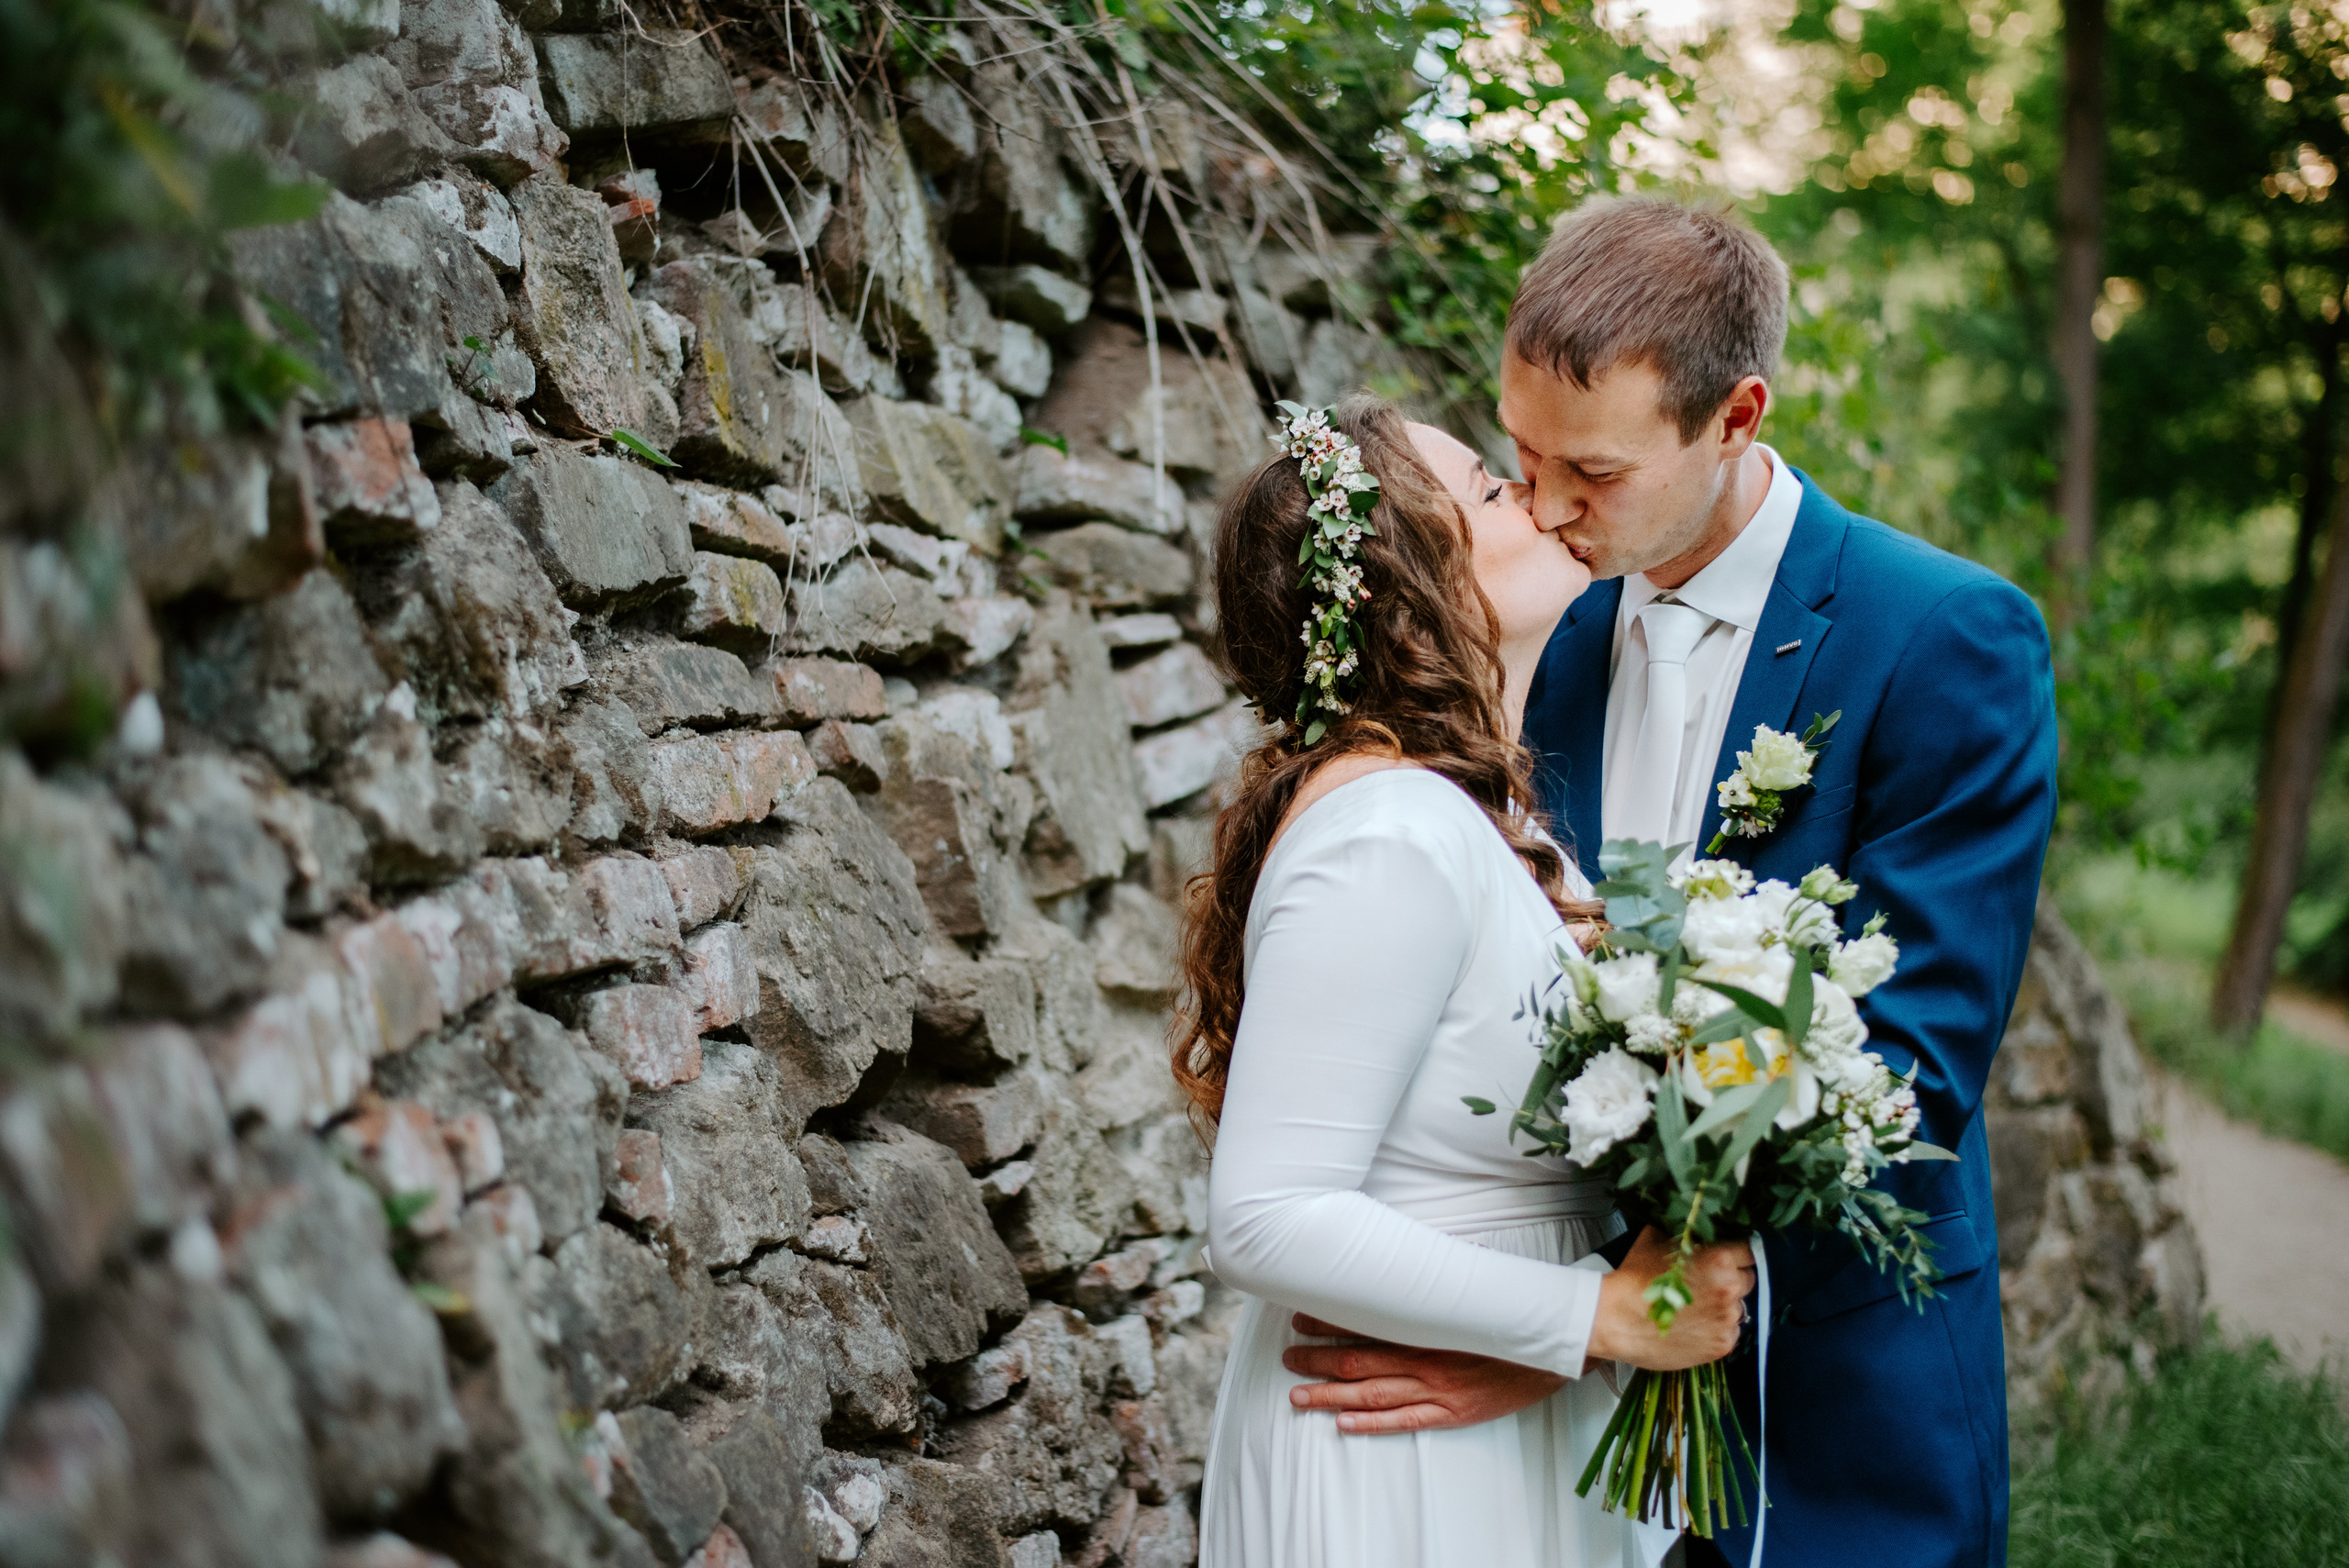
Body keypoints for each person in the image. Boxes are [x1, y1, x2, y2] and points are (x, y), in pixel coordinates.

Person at [1280, 199, 2060, 1568]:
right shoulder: (1528, 628)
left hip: (1840, 1398)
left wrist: (1594, 1333)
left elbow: (1906, 1071)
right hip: (1564, 1451)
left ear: (1736, 417)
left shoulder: (1943, 636)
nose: (1548, 507)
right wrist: (1569, 1326)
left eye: (1593, 470)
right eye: (1521, 458)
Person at [1179, 395, 1753, 1568]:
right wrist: (1597, 1317)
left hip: (1497, 1428)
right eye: (1492, 487)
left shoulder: (1477, 820)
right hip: (1403, 1466)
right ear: (1407, 576)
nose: (1538, 499)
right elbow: (1265, 1212)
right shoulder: (1386, 829)